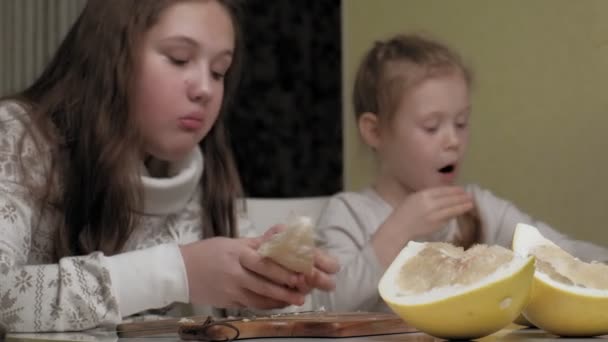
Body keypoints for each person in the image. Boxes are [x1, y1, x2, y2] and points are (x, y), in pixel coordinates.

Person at [0, 0, 338, 333]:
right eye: (179, 59)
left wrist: (272, 276)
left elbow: (249, 314)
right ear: (109, 58)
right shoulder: (16, 138)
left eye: (219, 71)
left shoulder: (203, 181)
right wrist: (177, 272)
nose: (205, 89)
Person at [314, 33, 608, 312]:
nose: (453, 141)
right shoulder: (348, 213)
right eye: (432, 127)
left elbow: (560, 250)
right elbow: (327, 304)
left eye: (461, 123)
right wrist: (398, 231)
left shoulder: (476, 207)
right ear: (375, 131)